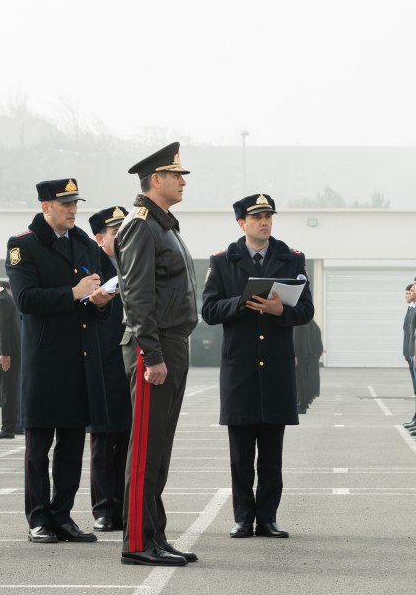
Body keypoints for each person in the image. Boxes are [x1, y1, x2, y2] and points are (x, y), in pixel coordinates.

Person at [201, 193, 314, 539]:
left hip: (277, 366)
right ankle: (242, 517)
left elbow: (306, 309)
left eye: (268, 216)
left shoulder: (291, 258)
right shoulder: (223, 261)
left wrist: (283, 312)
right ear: (241, 223)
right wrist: (241, 303)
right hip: (241, 367)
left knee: (271, 452)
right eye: (257, 217)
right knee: (240, 453)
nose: (265, 222)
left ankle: (267, 517)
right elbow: (208, 311)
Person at [5, 178, 111, 544]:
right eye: (65, 204)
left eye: (75, 203)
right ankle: (38, 518)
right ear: (45, 206)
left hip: (79, 358)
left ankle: (62, 515)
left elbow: (95, 297)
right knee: (38, 448)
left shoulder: (83, 242)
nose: (73, 209)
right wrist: (73, 293)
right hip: (45, 360)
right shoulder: (23, 245)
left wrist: (98, 301)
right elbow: (26, 299)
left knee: (71, 446)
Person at [117, 142, 199, 567]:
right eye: (176, 175)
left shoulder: (165, 225)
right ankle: (136, 541)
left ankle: (155, 534)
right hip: (156, 345)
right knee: (146, 448)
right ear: (155, 180)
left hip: (173, 341)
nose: (183, 181)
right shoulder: (140, 225)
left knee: (159, 450)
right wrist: (152, 356)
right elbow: (136, 295)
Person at [86, 206, 134, 532]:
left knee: (129, 439)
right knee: (104, 440)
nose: (122, 236)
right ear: (100, 237)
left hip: (134, 361)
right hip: (103, 362)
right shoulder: (90, 267)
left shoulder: (138, 263)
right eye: (116, 232)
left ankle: (127, 505)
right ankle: (104, 508)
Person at [0, 276, 21, 439]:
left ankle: (8, 427)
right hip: (13, 351)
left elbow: (3, 330)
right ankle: (13, 424)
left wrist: (3, 353)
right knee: (10, 389)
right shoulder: (6, 299)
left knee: (7, 390)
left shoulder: (1, 301)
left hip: (9, 353)